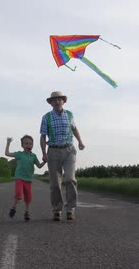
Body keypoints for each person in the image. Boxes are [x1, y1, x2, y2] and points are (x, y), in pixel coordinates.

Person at [40, 91, 85, 221]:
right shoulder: (46, 117)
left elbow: (74, 128)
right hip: (53, 151)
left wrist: (80, 141)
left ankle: (70, 209)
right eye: (54, 100)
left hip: (69, 150)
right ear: (51, 103)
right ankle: (57, 209)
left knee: (70, 179)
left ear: (63, 101)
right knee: (55, 184)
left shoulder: (69, 114)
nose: (57, 101)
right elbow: (43, 136)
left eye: (59, 99)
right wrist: (43, 153)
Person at [4, 135, 46, 221]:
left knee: (28, 197)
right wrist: (8, 143)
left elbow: (39, 166)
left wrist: (45, 161)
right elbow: (7, 153)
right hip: (19, 177)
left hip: (29, 179)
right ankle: (13, 208)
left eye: (31, 144)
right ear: (22, 145)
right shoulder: (19, 154)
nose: (28, 145)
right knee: (19, 194)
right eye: (26, 143)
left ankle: (27, 212)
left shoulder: (34, 156)